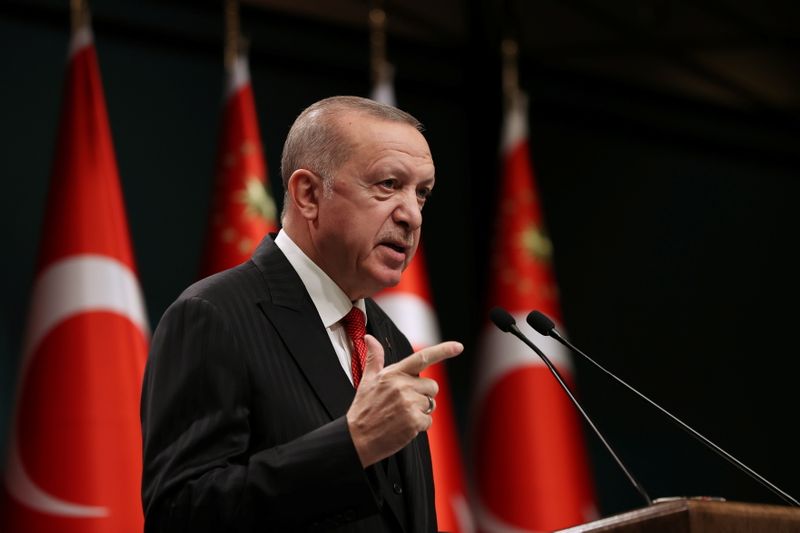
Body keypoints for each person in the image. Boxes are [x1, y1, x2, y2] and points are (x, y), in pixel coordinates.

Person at [140, 95, 463, 532]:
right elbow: (179, 514)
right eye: (388, 184)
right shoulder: (214, 316)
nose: (411, 215)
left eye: (421, 193)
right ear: (308, 194)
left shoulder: (389, 340)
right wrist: (350, 446)